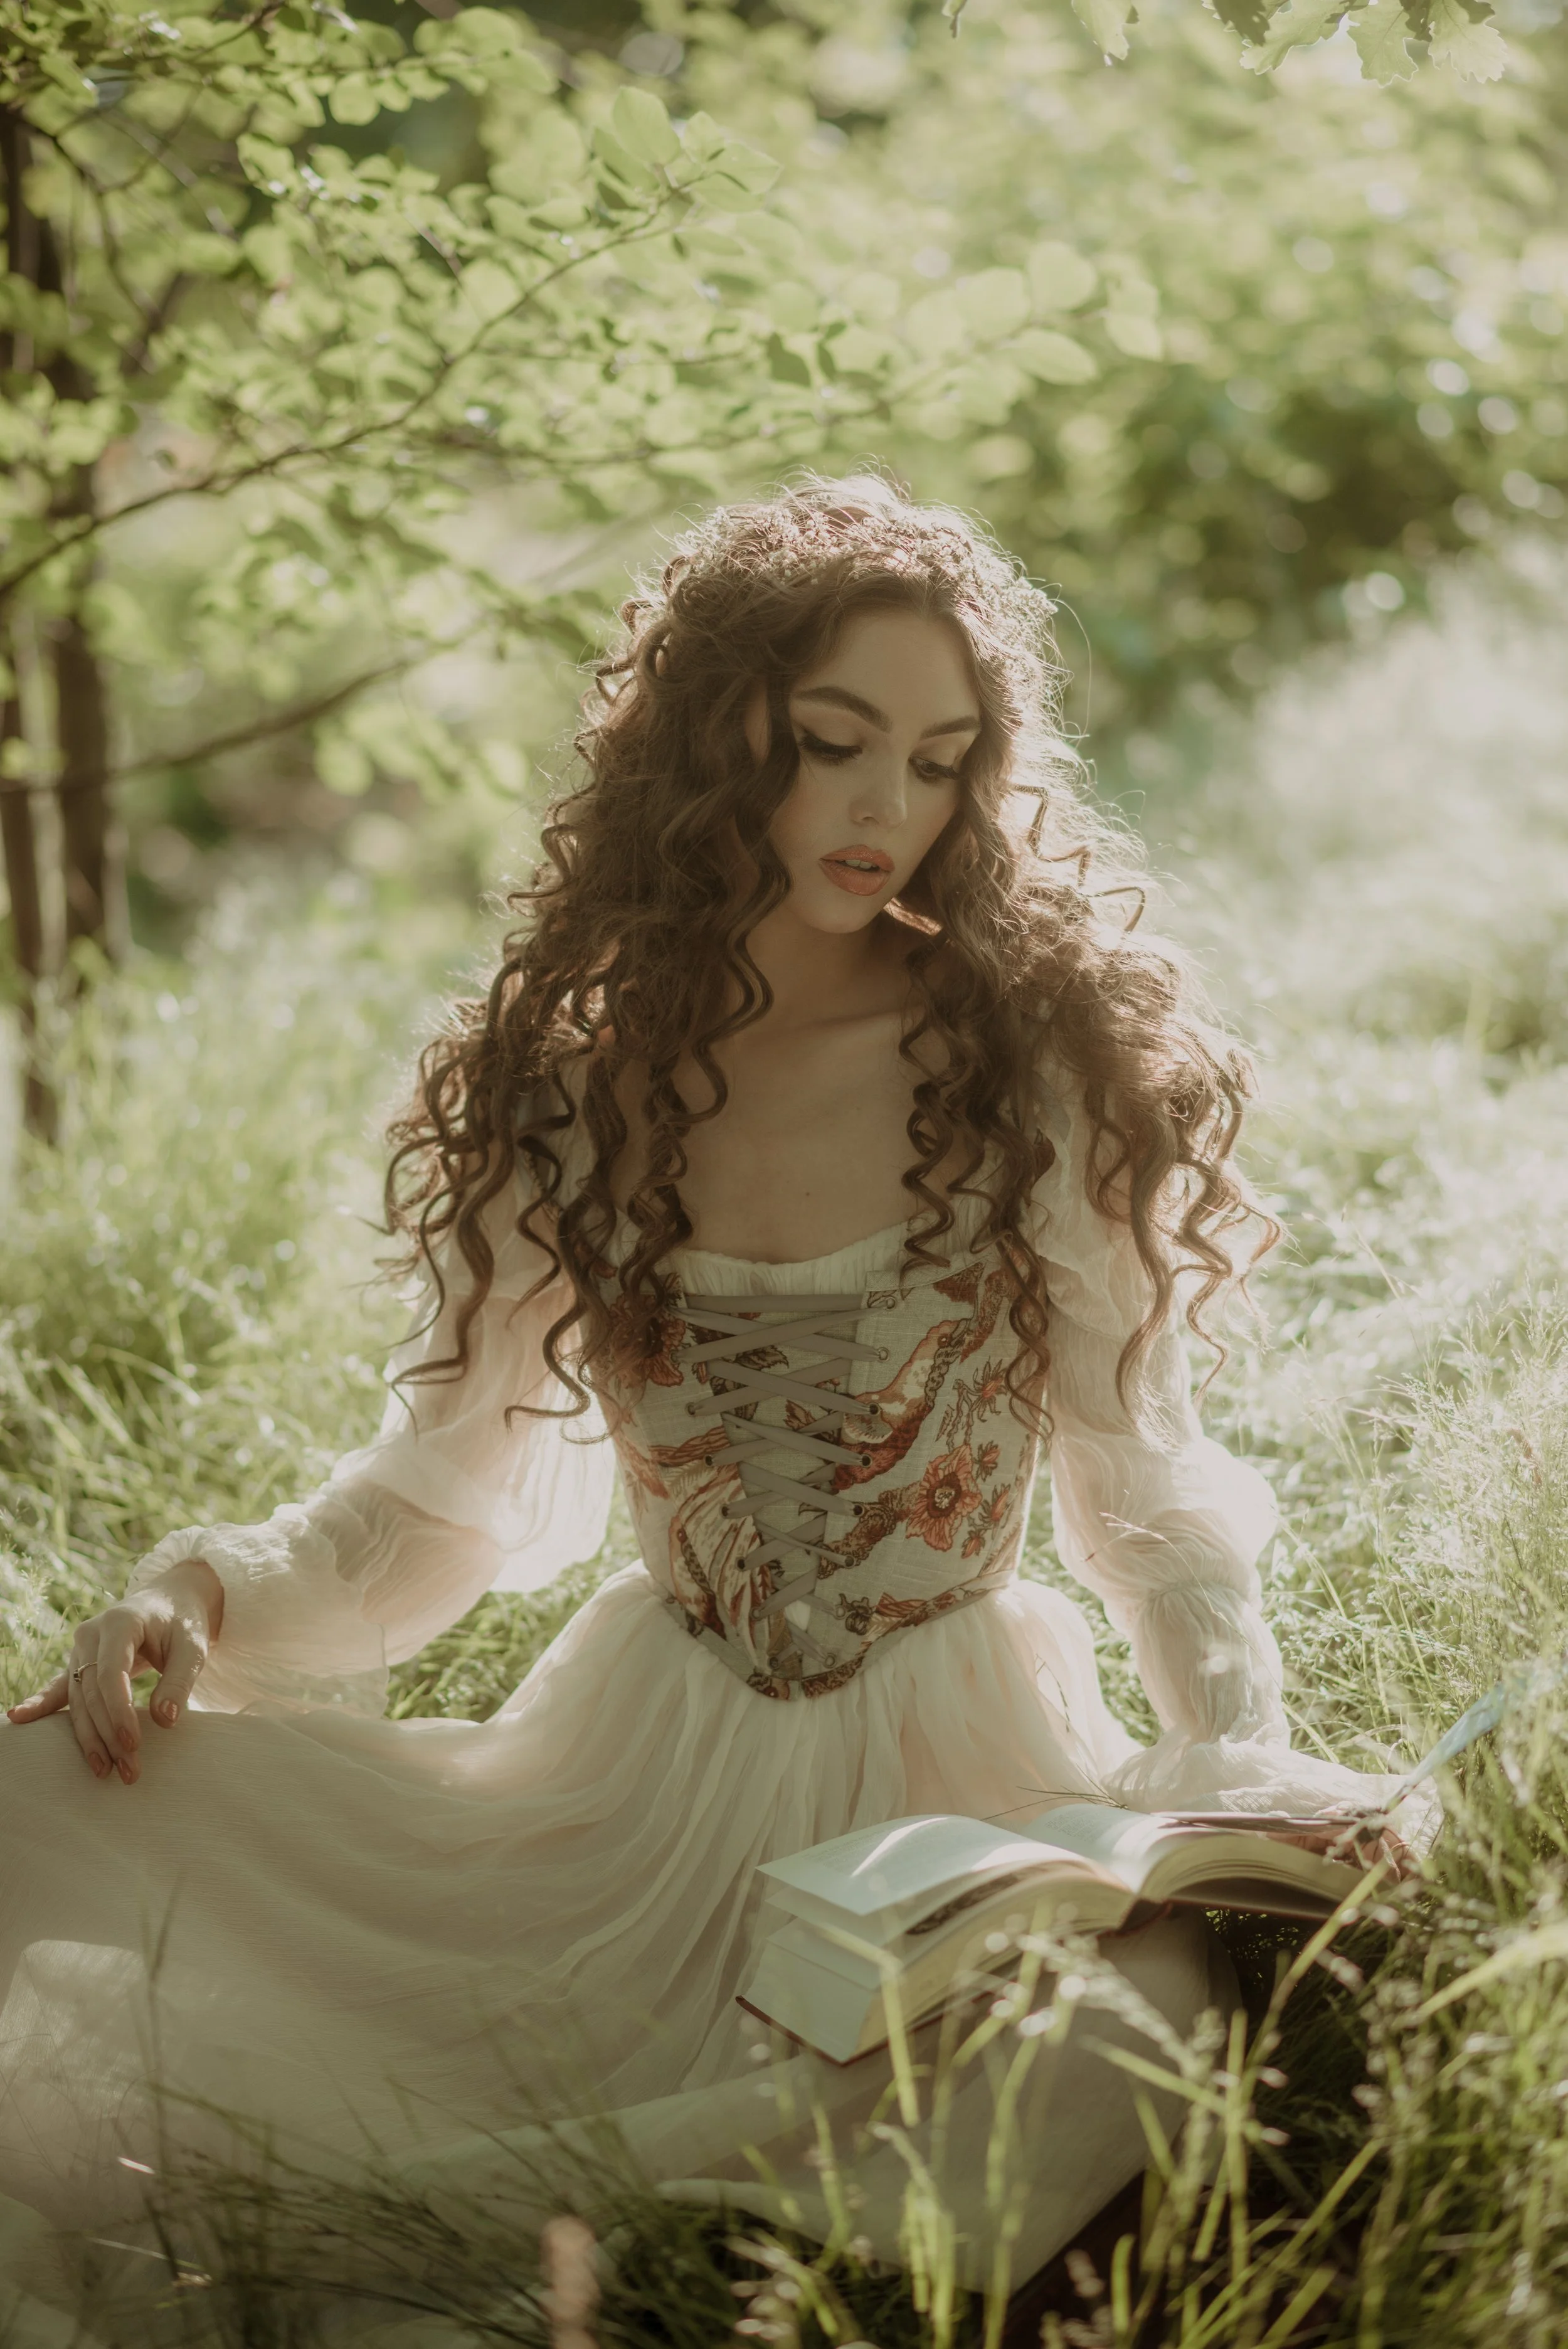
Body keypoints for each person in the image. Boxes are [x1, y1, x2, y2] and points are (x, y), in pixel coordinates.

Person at [0, 478, 1397, 2335]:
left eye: (936, 760)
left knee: (1128, 2031)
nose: (883, 810)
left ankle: (648, 2228)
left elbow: (1141, 1499)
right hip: (635, 1788)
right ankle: (553, 2221)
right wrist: (201, 1596)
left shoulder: (1032, 1057)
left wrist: (1230, 1782)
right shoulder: (565, 1087)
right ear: (711, 734)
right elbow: (433, 1520)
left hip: (956, 1785)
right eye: (831, 746)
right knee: (30, 1800)